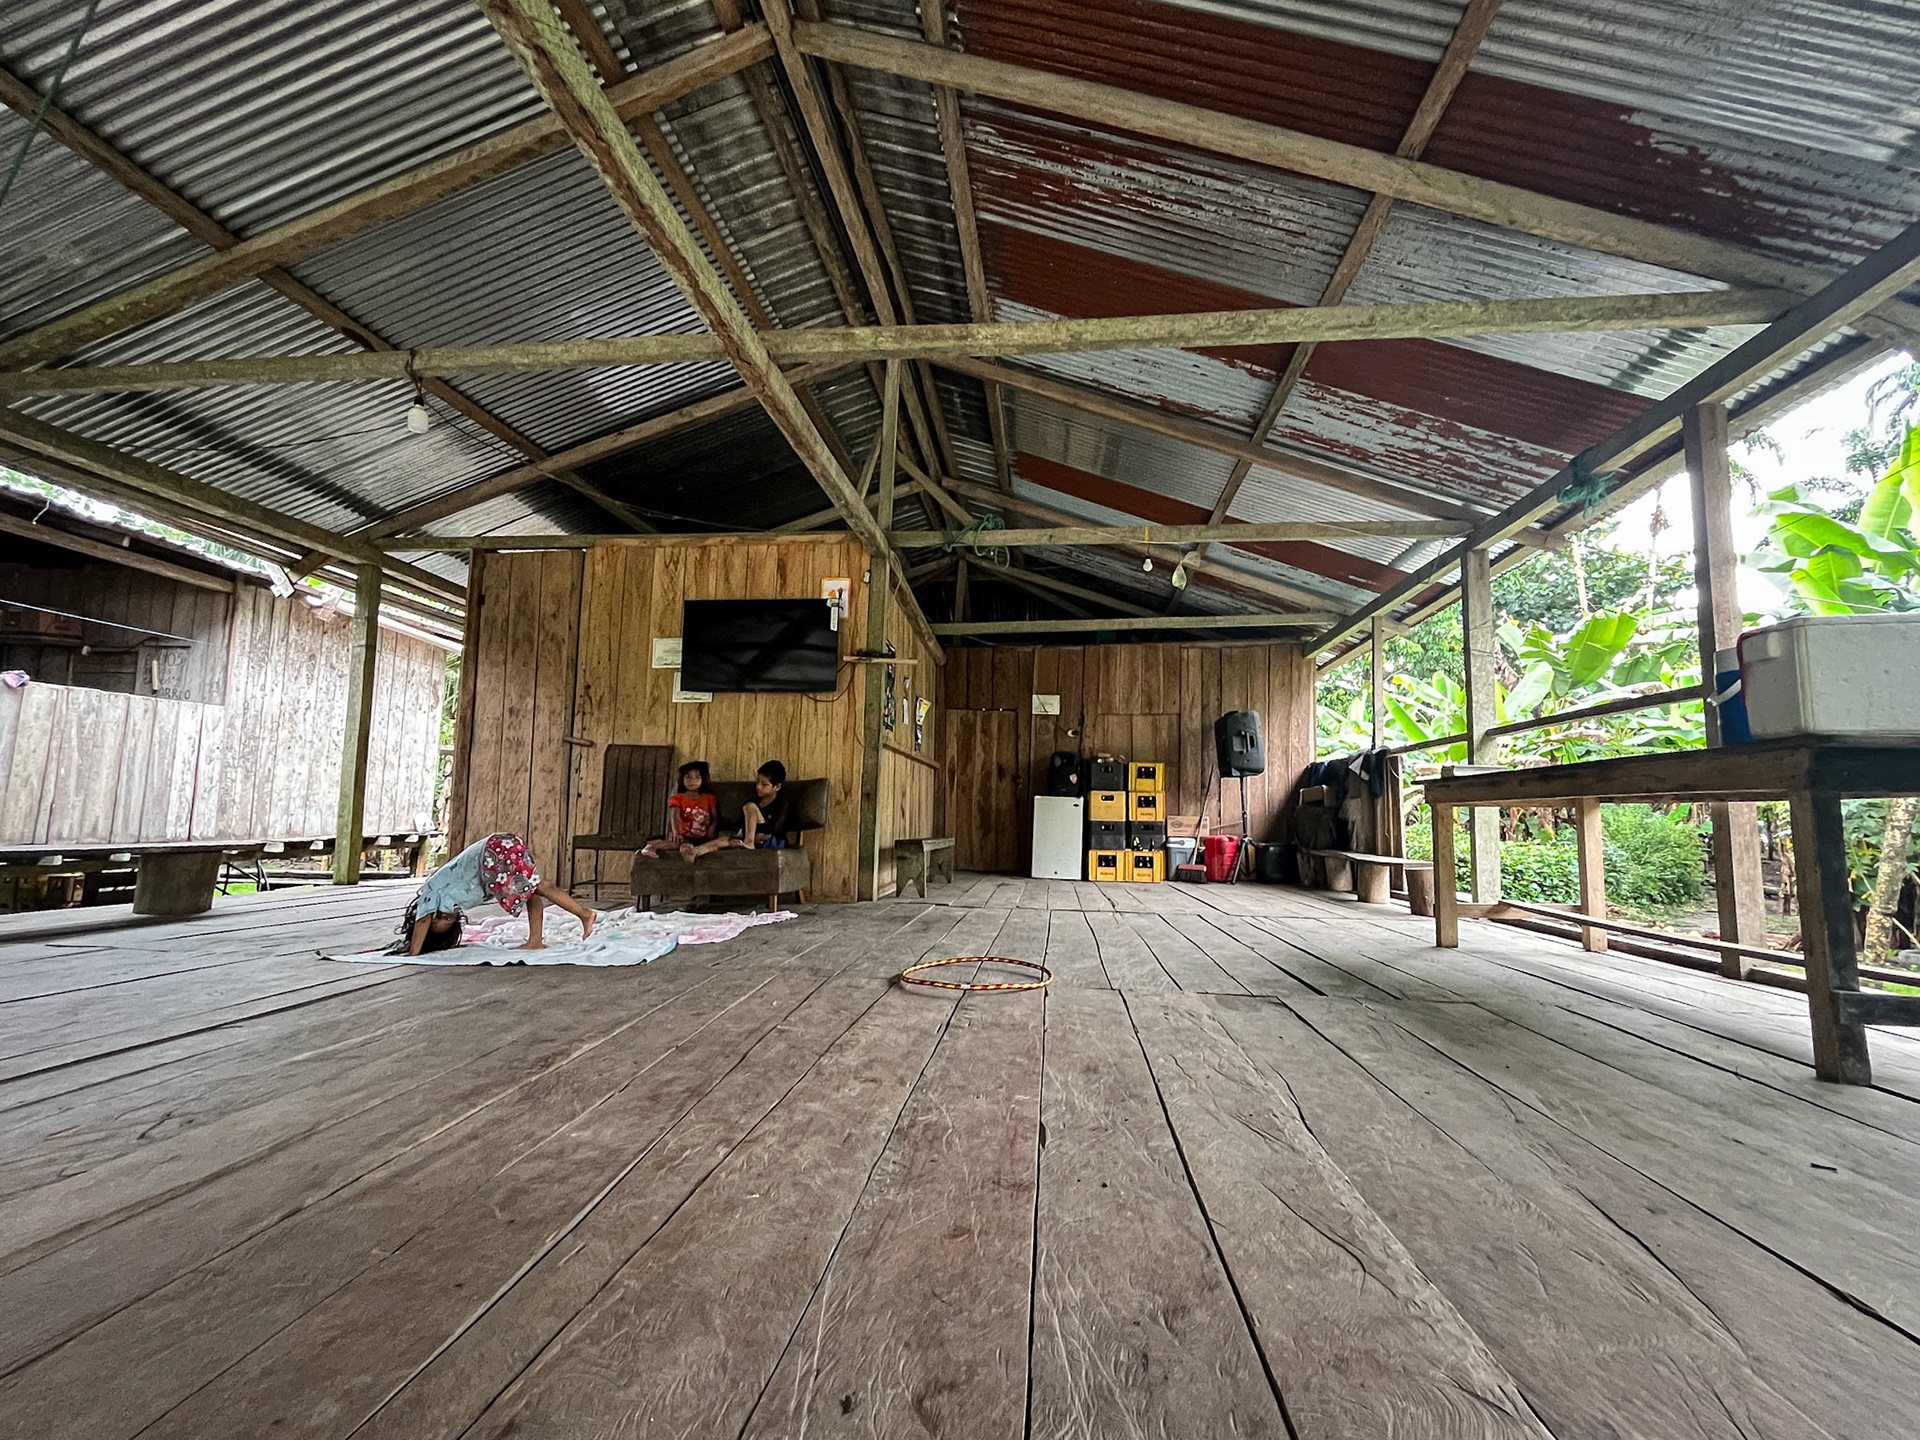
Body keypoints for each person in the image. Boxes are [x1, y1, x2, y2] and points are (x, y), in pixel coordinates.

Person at [394, 832, 595, 954]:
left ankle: (584, 914)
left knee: (537, 887)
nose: (442, 918)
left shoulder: (430, 894)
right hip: (499, 846)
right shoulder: (451, 900)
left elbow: (422, 921)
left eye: (437, 919)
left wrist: (414, 953)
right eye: (446, 922)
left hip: (494, 852)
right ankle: (535, 940)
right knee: (531, 890)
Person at [684, 759, 795, 858]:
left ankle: (749, 843)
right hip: (751, 839)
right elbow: (744, 825)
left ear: (777, 787)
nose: (758, 787)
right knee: (723, 840)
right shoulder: (754, 803)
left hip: (772, 842)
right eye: (757, 782)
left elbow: (775, 828)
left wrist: (753, 834)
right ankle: (695, 852)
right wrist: (738, 837)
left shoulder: (782, 805)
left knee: (749, 806)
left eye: (764, 784)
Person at [641, 760, 718, 861]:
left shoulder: (709, 798)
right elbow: (674, 816)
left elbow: (715, 817)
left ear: (703, 780)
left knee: (716, 843)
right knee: (677, 844)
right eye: (688, 777)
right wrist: (675, 832)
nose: (692, 781)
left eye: (697, 777)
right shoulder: (677, 798)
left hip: (703, 836)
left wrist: (712, 829)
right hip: (683, 836)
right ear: (682, 779)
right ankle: (650, 847)